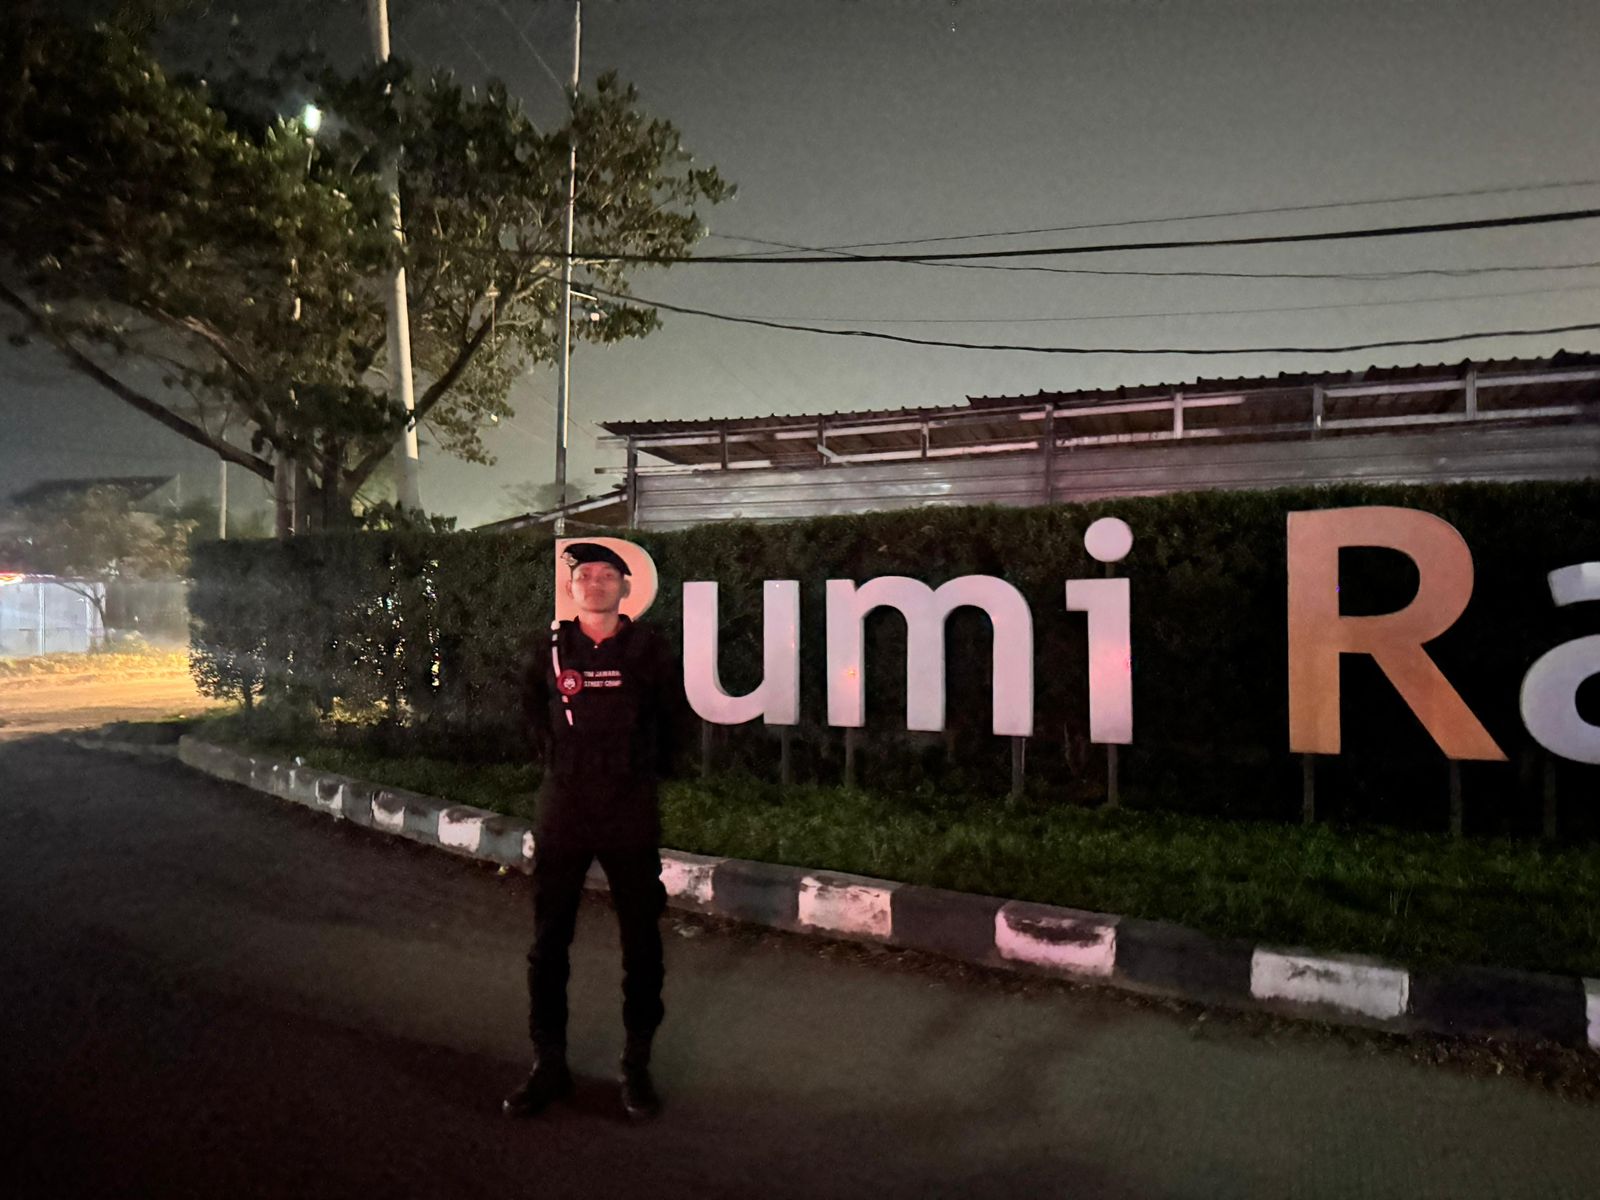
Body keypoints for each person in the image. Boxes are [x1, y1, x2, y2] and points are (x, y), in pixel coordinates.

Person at [504, 541, 688, 1122]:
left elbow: (674, 719)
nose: (596, 583)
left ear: (625, 588)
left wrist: (640, 770)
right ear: (572, 587)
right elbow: (531, 709)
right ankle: (548, 1063)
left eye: (608, 575)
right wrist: (559, 761)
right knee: (549, 942)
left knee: (642, 943)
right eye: (586, 575)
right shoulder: (549, 648)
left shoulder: (649, 648)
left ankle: (636, 1065)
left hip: (629, 810)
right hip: (565, 808)